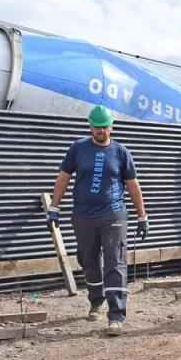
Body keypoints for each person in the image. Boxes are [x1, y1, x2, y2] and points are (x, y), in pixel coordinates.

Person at [46, 105, 149, 336]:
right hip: (83, 215)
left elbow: (132, 184)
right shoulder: (78, 149)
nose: (101, 131)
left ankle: (116, 316)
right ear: (90, 126)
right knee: (88, 261)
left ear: (111, 126)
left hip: (113, 214)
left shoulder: (121, 152)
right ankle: (96, 301)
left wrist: (142, 215)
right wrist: (54, 207)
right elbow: (63, 177)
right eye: (96, 127)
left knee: (115, 262)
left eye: (104, 127)